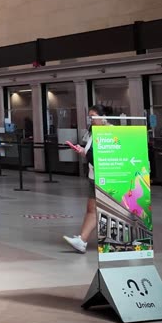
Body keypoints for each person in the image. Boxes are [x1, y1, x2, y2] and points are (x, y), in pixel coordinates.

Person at [63, 106, 107, 254]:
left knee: (97, 210)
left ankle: (82, 240)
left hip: (105, 177)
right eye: (90, 117)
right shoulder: (92, 132)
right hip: (93, 175)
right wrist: (82, 151)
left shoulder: (110, 131)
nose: (91, 119)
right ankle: (82, 239)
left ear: (103, 116)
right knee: (91, 209)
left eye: (93, 116)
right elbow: (91, 154)